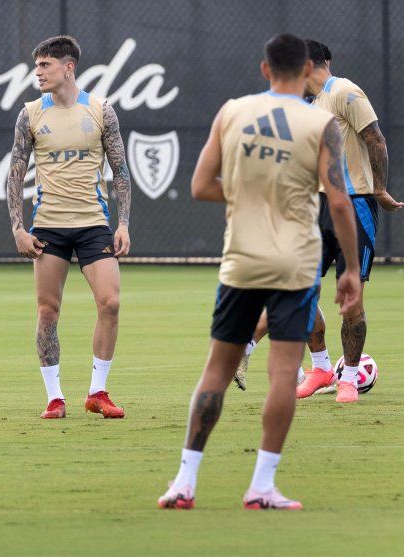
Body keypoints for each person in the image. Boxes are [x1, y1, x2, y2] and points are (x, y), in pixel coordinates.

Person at [158, 34, 360, 510]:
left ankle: (184, 482)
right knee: (284, 373)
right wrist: (349, 267)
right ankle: (261, 486)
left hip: (242, 260)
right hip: (295, 261)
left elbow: (201, 186)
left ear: (265, 70)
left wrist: (249, 195)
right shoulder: (321, 122)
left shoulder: (232, 112)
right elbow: (338, 202)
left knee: (217, 369)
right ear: (308, 68)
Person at [234, 39, 401, 402]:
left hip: (355, 205)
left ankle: (350, 378)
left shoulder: (345, 92)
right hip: (317, 207)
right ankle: (323, 367)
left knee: (351, 297)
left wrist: (380, 189)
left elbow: (376, 139)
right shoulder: (310, 103)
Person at [5, 35, 132, 419]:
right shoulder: (30, 114)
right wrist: (17, 228)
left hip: (94, 223)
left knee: (110, 303)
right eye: (37, 65)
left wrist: (123, 222)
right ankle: (54, 397)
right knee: (48, 312)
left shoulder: (100, 110)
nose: (38, 72)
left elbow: (121, 171)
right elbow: (15, 174)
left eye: (45, 65)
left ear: (67, 67)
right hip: (49, 226)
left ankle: (98, 391)